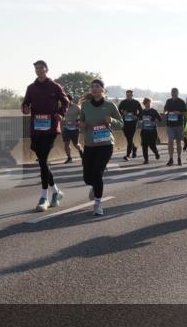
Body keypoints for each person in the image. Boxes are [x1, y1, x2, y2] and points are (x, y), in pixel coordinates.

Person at [21, 61, 70, 212]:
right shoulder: (31, 87)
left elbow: (65, 102)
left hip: (51, 129)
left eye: (41, 68)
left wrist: (60, 114)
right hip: (36, 128)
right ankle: (56, 192)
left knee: (43, 160)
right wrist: (25, 109)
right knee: (42, 161)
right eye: (36, 68)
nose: (39, 70)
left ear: (46, 69)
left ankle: (44, 197)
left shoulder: (55, 86)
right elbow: (25, 105)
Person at [77, 78, 123, 215]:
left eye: (97, 86)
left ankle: (97, 204)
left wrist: (112, 120)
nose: (94, 89)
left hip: (105, 144)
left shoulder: (110, 106)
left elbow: (121, 124)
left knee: (97, 173)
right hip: (90, 144)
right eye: (92, 87)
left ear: (103, 90)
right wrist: (82, 125)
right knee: (87, 177)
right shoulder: (85, 106)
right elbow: (82, 123)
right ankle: (96, 187)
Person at [162, 88, 187, 166]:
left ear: (178, 93)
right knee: (170, 141)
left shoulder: (181, 102)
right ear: (171, 93)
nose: (173, 93)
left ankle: (179, 158)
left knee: (178, 142)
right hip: (170, 125)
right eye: (172, 92)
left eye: (175, 92)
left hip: (179, 125)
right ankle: (171, 159)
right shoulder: (168, 101)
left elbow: (185, 114)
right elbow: (165, 110)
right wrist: (166, 113)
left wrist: (179, 113)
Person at [118, 90, 142, 162]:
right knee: (129, 138)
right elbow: (118, 110)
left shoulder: (136, 102)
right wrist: (122, 112)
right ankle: (134, 148)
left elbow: (141, 111)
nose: (128, 96)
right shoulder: (123, 102)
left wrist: (137, 116)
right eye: (127, 95)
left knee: (130, 138)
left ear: (132, 95)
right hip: (125, 123)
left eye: (129, 95)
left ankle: (128, 155)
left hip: (133, 123)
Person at [138, 97, 162, 163]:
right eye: (146, 103)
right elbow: (139, 119)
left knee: (152, 145)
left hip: (152, 131)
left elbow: (160, 119)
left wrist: (154, 120)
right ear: (144, 104)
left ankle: (156, 153)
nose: (148, 104)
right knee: (144, 145)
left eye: (149, 103)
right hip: (144, 131)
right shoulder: (142, 112)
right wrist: (141, 122)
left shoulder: (154, 111)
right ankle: (146, 159)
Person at [61, 95, 83, 164]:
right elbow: (61, 116)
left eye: (68, 100)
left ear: (71, 100)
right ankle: (69, 158)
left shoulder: (76, 107)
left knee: (76, 144)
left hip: (75, 128)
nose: (66, 101)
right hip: (66, 128)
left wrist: (77, 121)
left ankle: (81, 152)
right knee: (66, 144)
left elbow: (82, 116)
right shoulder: (63, 107)